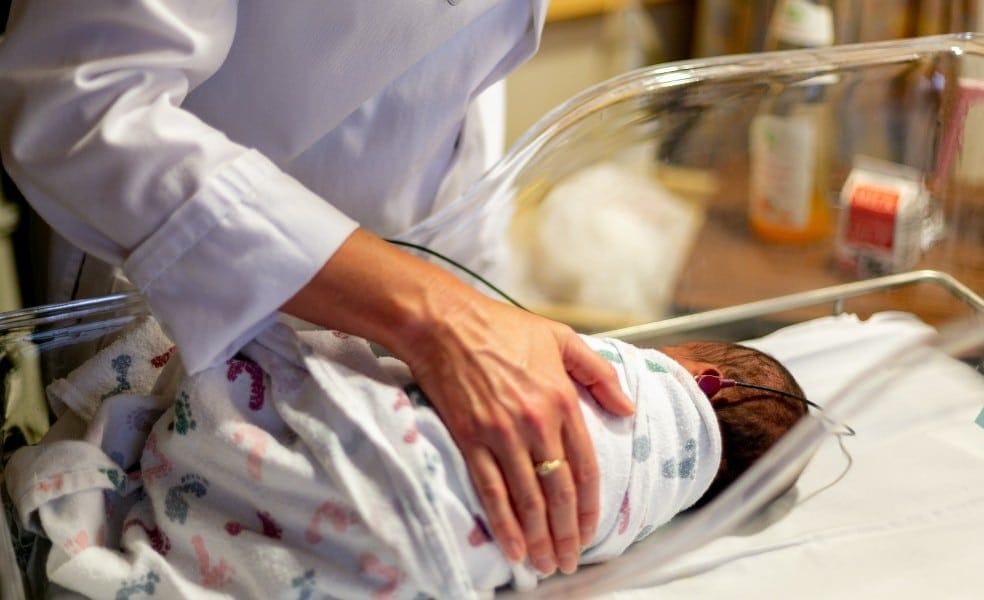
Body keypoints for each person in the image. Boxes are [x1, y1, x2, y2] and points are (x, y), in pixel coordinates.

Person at [0, 0, 635, 579]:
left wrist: (471, 302)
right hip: (186, 281)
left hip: (431, 270)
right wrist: (436, 315)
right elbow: (79, 102)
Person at [5, 319, 808, 597]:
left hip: (387, 448)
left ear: (708, 379)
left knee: (272, 363)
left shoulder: (639, 381)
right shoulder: (647, 514)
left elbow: (518, 365)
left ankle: (156, 465)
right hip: (427, 558)